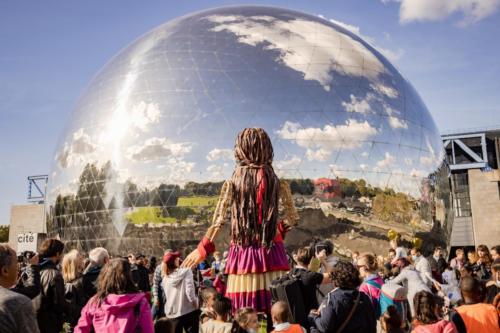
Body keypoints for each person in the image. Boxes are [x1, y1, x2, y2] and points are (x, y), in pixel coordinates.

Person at [182, 128, 299, 317]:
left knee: (244, 310)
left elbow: (219, 219)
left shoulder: (233, 182)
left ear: (241, 149)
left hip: (243, 253)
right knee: (276, 304)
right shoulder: (278, 183)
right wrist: (275, 230)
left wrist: (202, 249)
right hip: (272, 250)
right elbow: (293, 218)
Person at [74, 258, 154, 333]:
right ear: (129, 277)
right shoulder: (140, 302)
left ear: (105, 276)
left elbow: (80, 329)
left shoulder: (95, 302)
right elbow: (148, 330)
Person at [309, 261, 376, 333]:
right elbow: (372, 323)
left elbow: (324, 327)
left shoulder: (333, 298)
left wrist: (313, 317)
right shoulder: (364, 297)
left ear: (335, 278)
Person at [0, 244, 40, 333]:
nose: (19, 267)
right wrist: (32, 266)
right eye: (17, 261)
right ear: (5, 271)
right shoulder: (17, 303)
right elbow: (32, 290)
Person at [33, 238, 67, 333]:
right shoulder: (55, 274)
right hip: (50, 325)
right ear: (57, 254)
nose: (63, 256)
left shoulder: (33, 269)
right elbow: (59, 304)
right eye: (62, 253)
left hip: (34, 322)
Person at [162, 251, 199, 333]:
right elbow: (189, 292)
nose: (178, 259)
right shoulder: (187, 271)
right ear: (174, 262)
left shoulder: (165, 278)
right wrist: (195, 303)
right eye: (176, 258)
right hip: (188, 311)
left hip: (172, 313)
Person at [291, 247, 330, 318]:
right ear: (311, 260)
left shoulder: (291, 273)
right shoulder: (310, 276)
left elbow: (307, 270)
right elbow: (331, 276)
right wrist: (323, 260)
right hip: (310, 317)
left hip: (295, 314)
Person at [62, 249, 86, 331]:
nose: (83, 260)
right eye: (80, 259)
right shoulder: (82, 281)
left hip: (67, 324)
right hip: (79, 323)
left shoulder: (61, 281)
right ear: (75, 264)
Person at [358, 253, 384, 317]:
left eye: (358, 266)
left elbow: (363, 310)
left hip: (372, 320)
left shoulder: (364, 287)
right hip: (382, 316)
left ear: (366, 267)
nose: (358, 269)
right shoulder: (379, 278)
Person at [152, 249, 172, 320]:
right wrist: (155, 296)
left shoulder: (176, 268)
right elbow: (155, 283)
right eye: (167, 256)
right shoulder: (159, 267)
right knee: (160, 315)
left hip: (172, 295)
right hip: (162, 294)